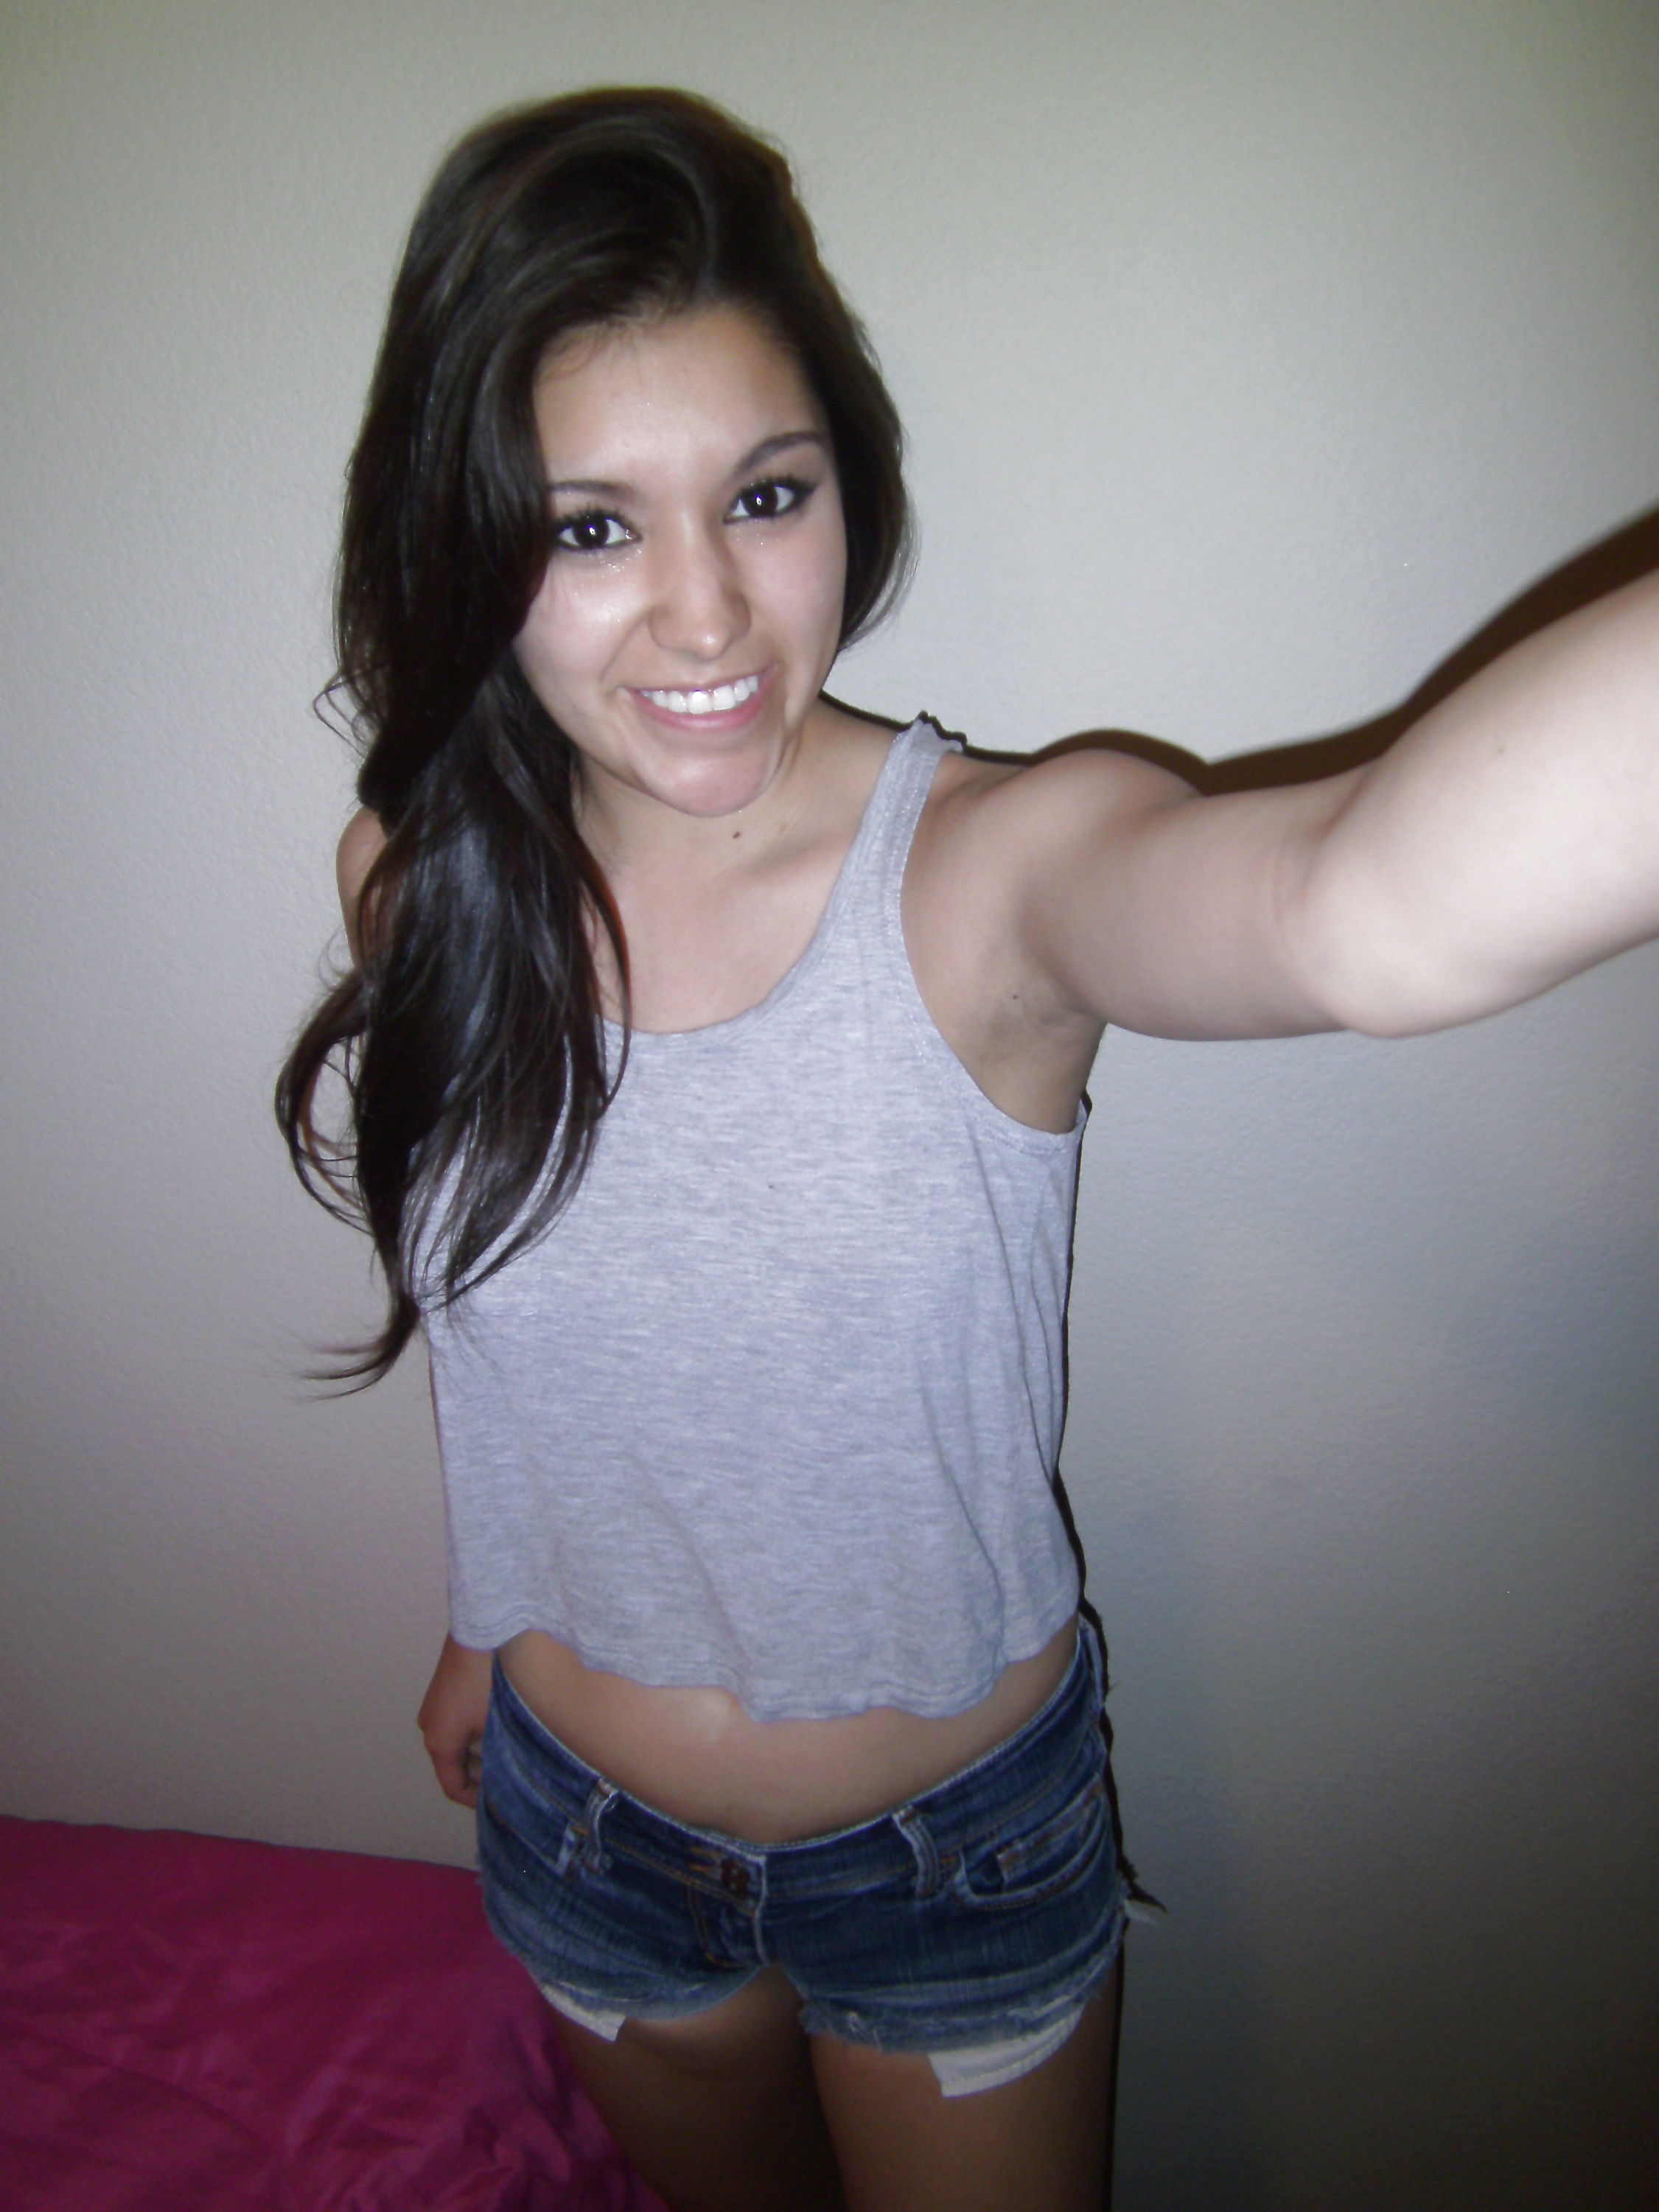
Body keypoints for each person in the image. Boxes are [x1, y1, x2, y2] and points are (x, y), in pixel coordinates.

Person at [277, 87, 1659, 2212]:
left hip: (943, 1863)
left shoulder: (994, 876)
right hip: (578, 1828)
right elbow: (526, 1339)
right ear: (464, 536)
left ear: (850, 483)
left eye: (765, 495)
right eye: (590, 529)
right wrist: (490, 1620)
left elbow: (1364, 913)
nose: (705, 616)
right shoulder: (419, 876)